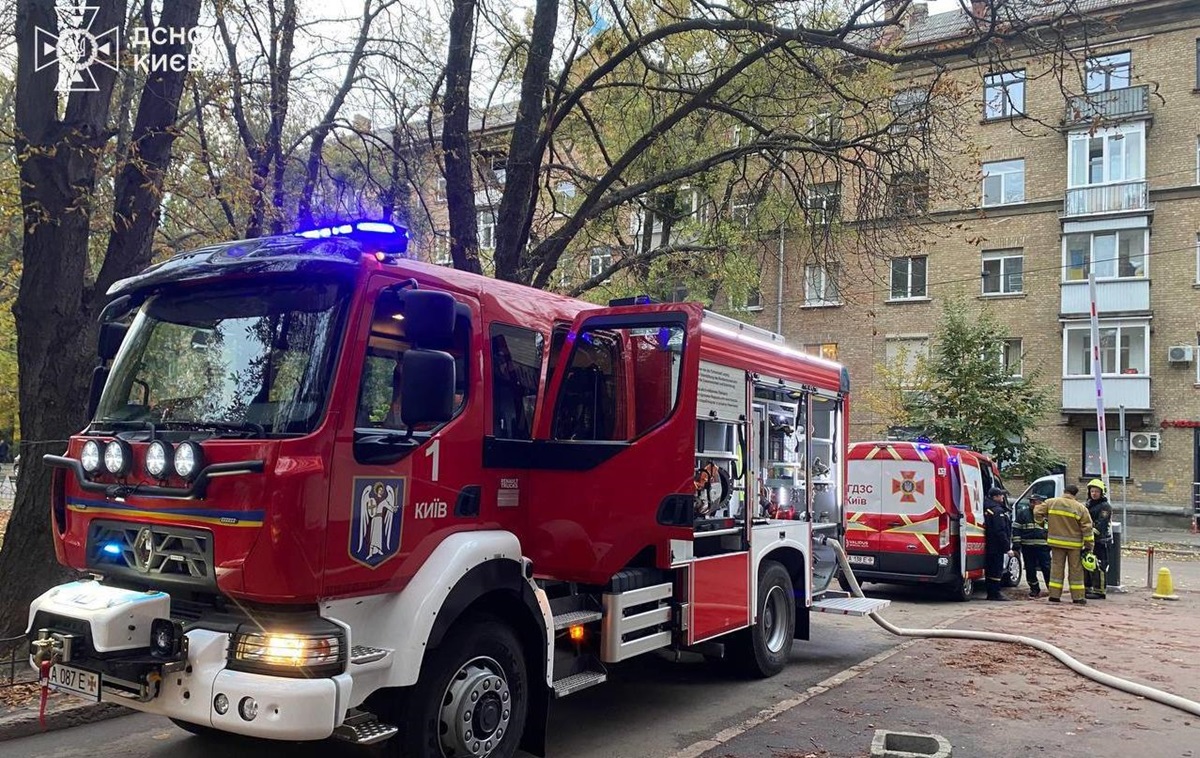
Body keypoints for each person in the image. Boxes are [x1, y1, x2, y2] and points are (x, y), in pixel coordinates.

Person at [1038, 483, 1094, 604]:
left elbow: (1037, 511)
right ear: (1075, 494)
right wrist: (1089, 546)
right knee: (1075, 570)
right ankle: (1078, 597)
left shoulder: (1051, 502)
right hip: (1074, 545)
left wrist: (1043, 524)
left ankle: (1054, 595)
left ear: (1064, 491)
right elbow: (1087, 528)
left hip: (1056, 542)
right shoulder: (1080, 508)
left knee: (1056, 568)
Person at [1012, 493, 1052, 598]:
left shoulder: (1047, 514)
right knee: (1030, 568)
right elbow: (1016, 528)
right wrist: (1016, 544)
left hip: (1043, 546)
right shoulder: (1023, 513)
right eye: (1031, 501)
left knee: (1047, 568)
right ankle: (1034, 589)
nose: (1032, 504)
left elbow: (1053, 529)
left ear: (1041, 503)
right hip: (1028, 546)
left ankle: (1052, 589)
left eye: (1034, 501)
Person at [983, 486, 1015, 601]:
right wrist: (1007, 547)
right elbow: (1000, 530)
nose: (1002, 497)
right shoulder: (997, 511)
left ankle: (991, 592)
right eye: (1001, 495)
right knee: (996, 570)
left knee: (990, 570)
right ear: (995, 497)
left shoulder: (988, 508)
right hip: (996, 546)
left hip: (990, 545)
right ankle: (995, 593)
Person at [1083, 478, 1113, 600]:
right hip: (1088, 540)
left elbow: (1101, 525)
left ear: (1101, 492)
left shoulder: (1105, 507)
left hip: (1100, 541)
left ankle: (1099, 591)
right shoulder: (1088, 504)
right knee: (1087, 564)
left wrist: (1090, 534)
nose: (1094, 493)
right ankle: (1087, 587)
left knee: (1099, 565)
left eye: (1096, 491)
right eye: (1092, 491)